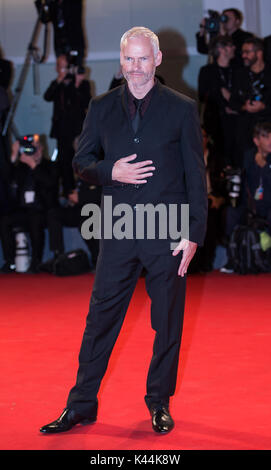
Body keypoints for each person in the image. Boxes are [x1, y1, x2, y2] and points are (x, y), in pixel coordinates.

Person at [40, 27, 207, 435]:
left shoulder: (182, 108)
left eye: (142, 59)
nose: (135, 68)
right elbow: (80, 162)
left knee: (167, 322)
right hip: (117, 228)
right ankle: (81, 404)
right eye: (129, 59)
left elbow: (195, 175)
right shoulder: (100, 107)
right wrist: (108, 171)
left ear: (157, 60)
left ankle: (158, 401)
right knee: (100, 320)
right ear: (121, 62)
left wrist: (194, 233)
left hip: (167, 229)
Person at [0, 135, 59, 274]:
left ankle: (36, 261)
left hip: (43, 210)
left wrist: (34, 166)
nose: (33, 151)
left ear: (42, 148)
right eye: (29, 148)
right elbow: (7, 179)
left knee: (35, 219)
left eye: (35, 147)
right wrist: (14, 155)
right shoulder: (21, 166)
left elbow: (50, 183)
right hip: (23, 210)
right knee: (4, 221)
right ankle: (10, 262)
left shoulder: (50, 165)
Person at [221, 121, 271, 273]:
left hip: (269, 206)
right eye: (266, 137)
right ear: (256, 140)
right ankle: (233, 258)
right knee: (230, 214)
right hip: (250, 206)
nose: (270, 140)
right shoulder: (248, 157)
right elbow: (241, 181)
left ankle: (266, 257)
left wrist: (266, 166)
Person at [43, 54, 91, 197]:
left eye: (65, 66)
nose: (63, 69)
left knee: (82, 162)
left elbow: (85, 103)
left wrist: (76, 84)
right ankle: (67, 193)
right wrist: (59, 80)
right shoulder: (57, 84)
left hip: (78, 130)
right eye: (60, 66)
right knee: (65, 163)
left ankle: (83, 192)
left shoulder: (83, 84)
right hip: (62, 131)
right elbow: (47, 97)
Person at [226, 37, 271, 164]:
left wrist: (264, 107)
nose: (244, 56)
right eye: (243, 52)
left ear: (259, 53)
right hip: (245, 131)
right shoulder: (240, 74)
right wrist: (244, 107)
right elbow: (233, 102)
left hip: (268, 129)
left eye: (247, 52)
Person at [198, 35, 239, 167]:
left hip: (237, 121)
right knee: (217, 160)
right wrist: (222, 102)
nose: (234, 48)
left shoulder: (238, 70)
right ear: (221, 49)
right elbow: (202, 95)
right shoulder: (207, 71)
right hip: (216, 123)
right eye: (230, 45)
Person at [47, 177, 101, 268]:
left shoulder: (99, 174)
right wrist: (71, 199)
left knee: (86, 225)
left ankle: (97, 259)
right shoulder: (78, 176)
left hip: (94, 211)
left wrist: (80, 197)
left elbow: (101, 194)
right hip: (78, 210)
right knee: (53, 214)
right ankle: (58, 254)